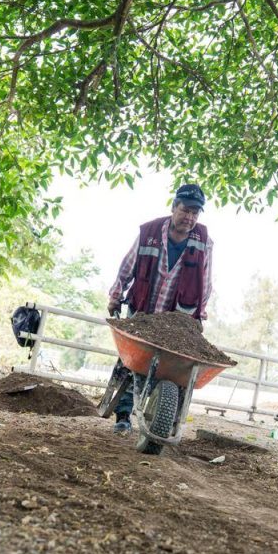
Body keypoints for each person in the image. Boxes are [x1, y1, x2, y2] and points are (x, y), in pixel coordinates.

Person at [106, 183, 214, 434]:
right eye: (185, 210)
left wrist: (201, 312)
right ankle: (123, 414)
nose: (189, 217)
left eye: (195, 213)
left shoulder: (204, 241)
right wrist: (115, 295)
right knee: (132, 364)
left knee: (173, 370)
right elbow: (126, 268)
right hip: (144, 311)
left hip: (178, 318)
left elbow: (206, 280)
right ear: (174, 207)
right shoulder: (149, 232)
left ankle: (167, 418)